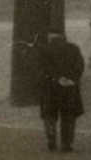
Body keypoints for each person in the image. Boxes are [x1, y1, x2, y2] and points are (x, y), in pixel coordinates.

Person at [37, 24, 87, 153]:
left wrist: (58, 78)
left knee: (50, 116)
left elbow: (44, 69)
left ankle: (51, 140)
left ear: (50, 37)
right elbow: (80, 66)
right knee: (68, 117)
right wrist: (71, 79)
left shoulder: (44, 50)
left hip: (50, 88)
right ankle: (67, 143)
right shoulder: (74, 49)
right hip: (69, 88)